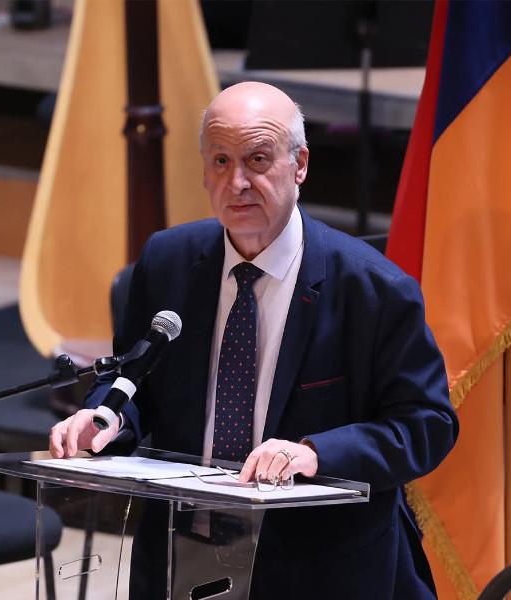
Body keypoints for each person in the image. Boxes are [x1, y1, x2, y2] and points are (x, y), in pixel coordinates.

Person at [49, 81, 457, 600]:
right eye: (221, 162)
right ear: (204, 171)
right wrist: (105, 417)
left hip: (319, 565)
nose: (237, 182)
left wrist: (315, 453)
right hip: (184, 551)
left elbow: (427, 423)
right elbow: (135, 380)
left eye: (257, 160)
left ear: (299, 164)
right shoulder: (168, 261)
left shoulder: (374, 290)